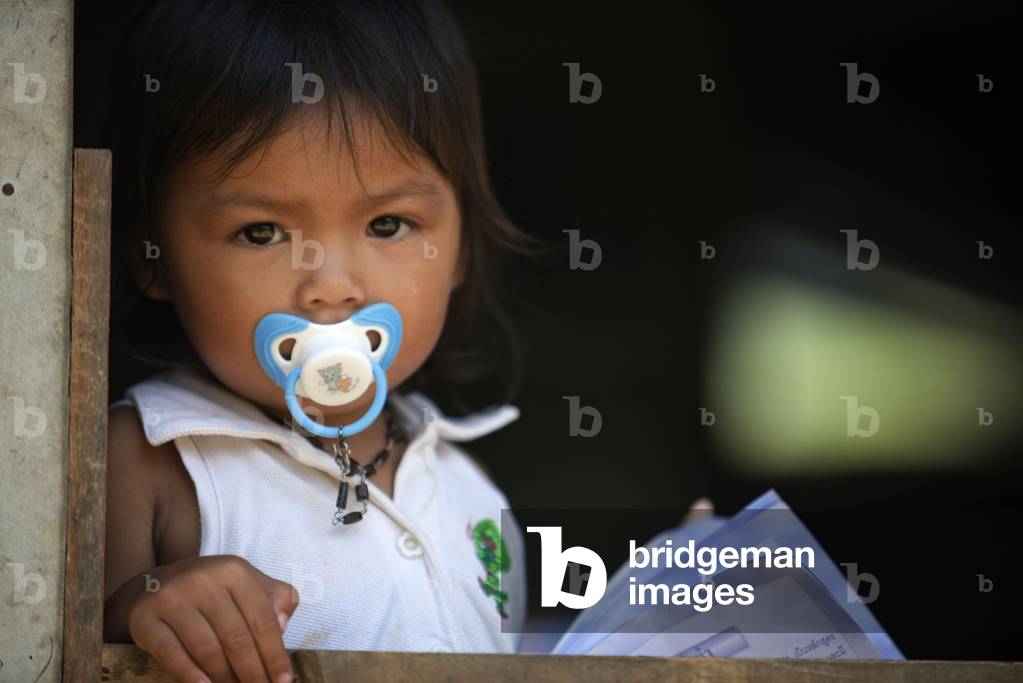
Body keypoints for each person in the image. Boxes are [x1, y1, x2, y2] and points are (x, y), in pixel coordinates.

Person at [101, 2, 541, 682]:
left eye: (390, 223)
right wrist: (146, 608)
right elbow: (52, 641)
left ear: (458, 249)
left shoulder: (468, 485)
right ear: (151, 257)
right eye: (261, 232)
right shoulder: (148, 460)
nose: (331, 287)